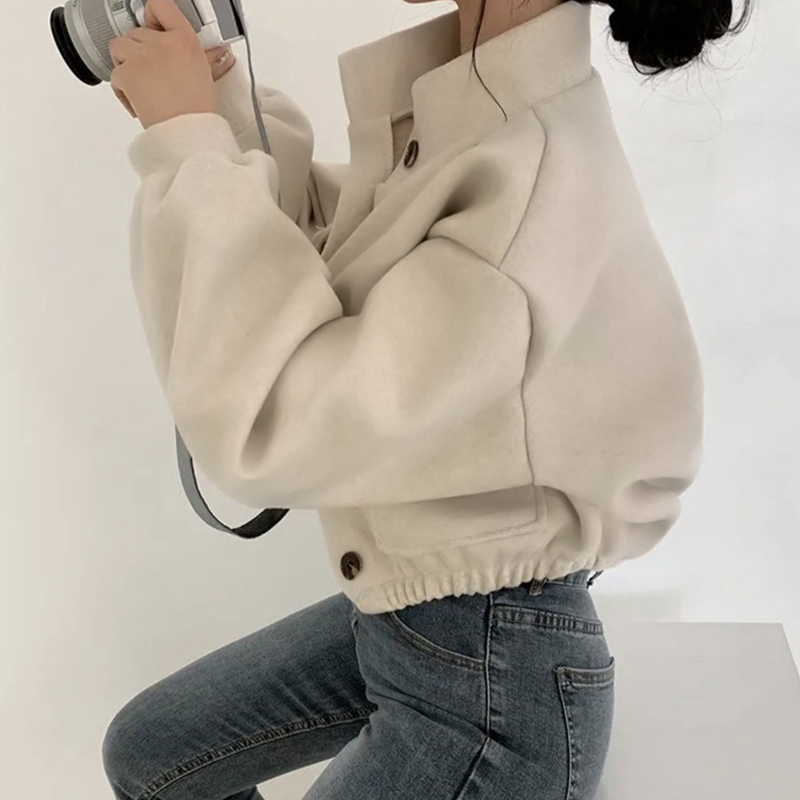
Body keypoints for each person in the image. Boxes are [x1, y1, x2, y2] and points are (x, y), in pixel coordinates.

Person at [102, 1, 753, 799]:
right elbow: (339, 266)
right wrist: (219, 106)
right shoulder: (485, 111)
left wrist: (187, 149)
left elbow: (278, 418)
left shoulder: (530, 162)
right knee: (152, 755)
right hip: (429, 618)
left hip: (493, 684)